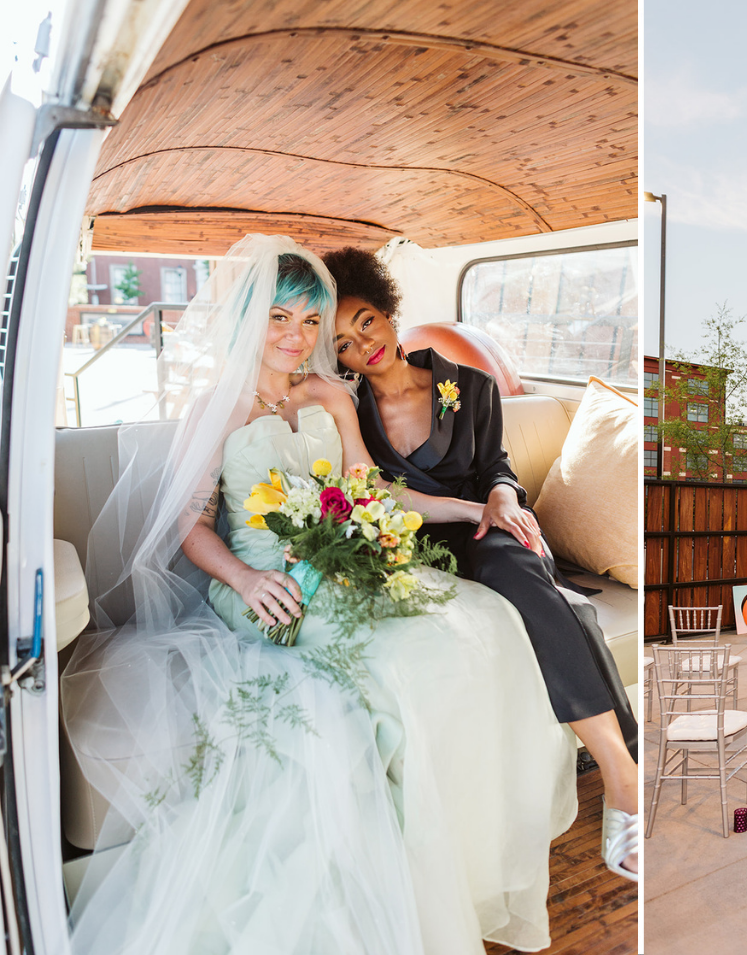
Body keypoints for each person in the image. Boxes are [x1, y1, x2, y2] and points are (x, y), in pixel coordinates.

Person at [62, 236, 576, 955]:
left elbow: (370, 490)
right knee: (401, 669)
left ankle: (448, 867)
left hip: (341, 566)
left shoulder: (334, 394)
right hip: (261, 584)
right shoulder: (219, 407)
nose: (295, 337)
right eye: (278, 318)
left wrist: (466, 510)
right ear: (247, 319)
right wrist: (244, 577)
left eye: (309, 322)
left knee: (479, 630)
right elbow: (191, 524)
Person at [320, 246, 640, 881]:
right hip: (411, 544)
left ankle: (620, 777)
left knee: (515, 561)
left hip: (485, 525)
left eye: (366, 323)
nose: (363, 346)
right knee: (557, 603)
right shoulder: (347, 414)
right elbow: (370, 496)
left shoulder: (470, 385)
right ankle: (627, 766)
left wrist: (499, 497)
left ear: (386, 311)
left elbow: (497, 466)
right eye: (344, 345)